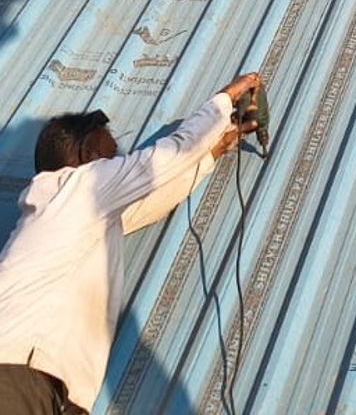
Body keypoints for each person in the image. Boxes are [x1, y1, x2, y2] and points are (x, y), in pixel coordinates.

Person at [0, 71, 262, 414]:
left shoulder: (71, 215)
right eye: (114, 154)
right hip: (18, 374)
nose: (119, 160)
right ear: (90, 155)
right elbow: (165, 158)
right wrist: (225, 98)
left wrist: (212, 151)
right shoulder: (81, 186)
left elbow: (148, 200)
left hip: (48, 386)